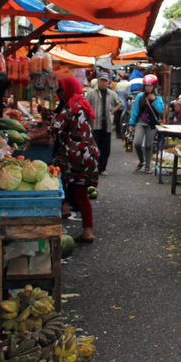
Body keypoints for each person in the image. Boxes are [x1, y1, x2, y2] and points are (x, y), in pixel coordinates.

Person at [47, 75, 99, 242]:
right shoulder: (82, 104)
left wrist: (29, 138)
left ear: (68, 89)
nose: (59, 94)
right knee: (81, 193)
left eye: (61, 90)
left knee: (51, 173)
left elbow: (53, 131)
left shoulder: (70, 108)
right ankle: (87, 231)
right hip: (88, 155)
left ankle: (62, 207)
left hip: (74, 156)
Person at [84, 71, 123, 174]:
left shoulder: (111, 94)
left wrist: (113, 111)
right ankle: (94, 167)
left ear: (108, 82)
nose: (103, 83)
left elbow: (120, 103)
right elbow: (86, 105)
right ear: (98, 81)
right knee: (94, 147)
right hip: (95, 124)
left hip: (107, 124)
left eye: (105, 81)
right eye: (101, 80)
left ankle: (102, 168)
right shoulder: (92, 93)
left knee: (105, 148)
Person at [128, 74, 164, 173]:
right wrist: (131, 124)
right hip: (140, 123)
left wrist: (154, 100)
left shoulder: (158, 98)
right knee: (137, 143)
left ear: (154, 86)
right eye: (146, 85)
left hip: (152, 124)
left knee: (148, 145)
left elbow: (161, 110)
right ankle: (141, 160)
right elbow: (134, 111)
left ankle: (147, 167)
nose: (148, 88)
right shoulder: (140, 96)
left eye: (150, 85)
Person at [113, 70, 130, 136]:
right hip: (124, 104)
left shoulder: (118, 84)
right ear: (128, 78)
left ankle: (118, 133)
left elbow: (115, 93)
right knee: (125, 119)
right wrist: (128, 104)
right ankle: (123, 133)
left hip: (118, 104)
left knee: (118, 119)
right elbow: (126, 95)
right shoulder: (128, 84)